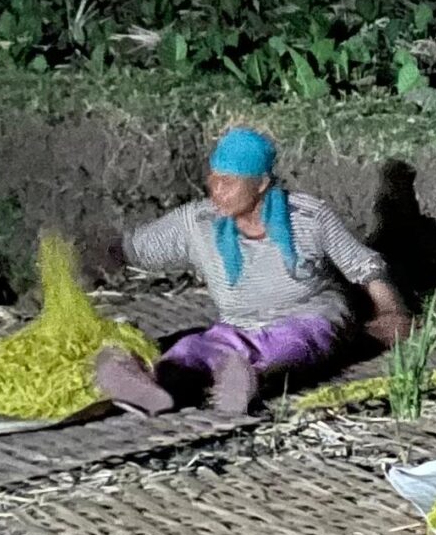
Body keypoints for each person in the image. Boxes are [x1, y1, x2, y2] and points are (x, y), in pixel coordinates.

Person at [93, 127, 411, 415]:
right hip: (239, 325)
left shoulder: (308, 216)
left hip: (310, 316)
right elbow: (134, 249)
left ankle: (249, 381)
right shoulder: (199, 222)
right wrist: (86, 255)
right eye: (214, 180)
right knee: (194, 348)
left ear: (260, 184)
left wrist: (390, 312)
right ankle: (152, 385)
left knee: (288, 346)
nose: (217, 190)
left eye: (228, 183)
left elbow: (364, 266)